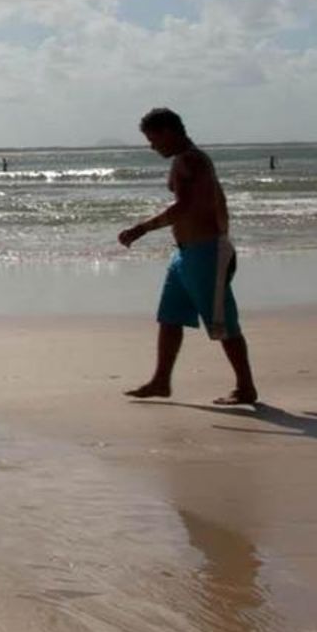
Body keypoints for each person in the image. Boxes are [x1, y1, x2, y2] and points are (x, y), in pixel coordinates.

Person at [116, 107, 259, 407]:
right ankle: (161, 381)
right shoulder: (189, 159)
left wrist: (141, 229)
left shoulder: (190, 160)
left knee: (222, 324)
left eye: (153, 139)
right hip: (185, 255)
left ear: (169, 132)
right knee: (170, 317)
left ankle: (246, 387)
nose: (151, 146)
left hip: (207, 252)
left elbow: (185, 207)